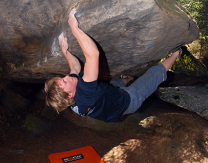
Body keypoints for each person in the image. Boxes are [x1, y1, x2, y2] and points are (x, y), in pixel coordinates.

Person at [45, 8, 181, 122]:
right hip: (128, 102)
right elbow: (93, 54)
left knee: (115, 82)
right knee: (153, 74)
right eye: (65, 81)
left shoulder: (70, 92)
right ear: (69, 95)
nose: (67, 77)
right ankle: (177, 53)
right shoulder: (86, 94)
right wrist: (75, 29)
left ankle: (128, 78)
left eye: (63, 78)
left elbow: (74, 68)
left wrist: (65, 51)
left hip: (109, 99)